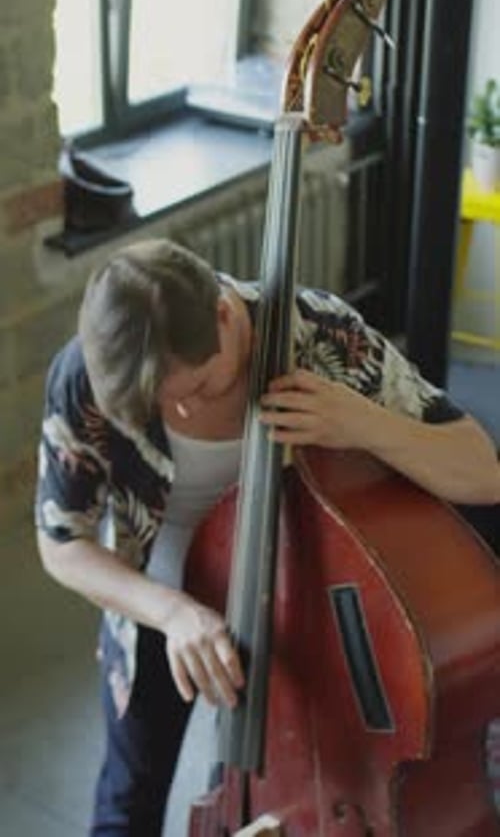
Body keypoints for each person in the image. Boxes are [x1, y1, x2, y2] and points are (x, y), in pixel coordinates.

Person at [35, 237, 500, 836]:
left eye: (198, 388)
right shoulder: (90, 378)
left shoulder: (320, 334)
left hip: (297, 594)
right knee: (128, 800)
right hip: (158, 592)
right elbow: (61, 544)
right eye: (160, 403)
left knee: (310, 771)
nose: (179, 414)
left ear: (227, 316)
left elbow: (481, 471)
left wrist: (360, 421)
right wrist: (174, 613)